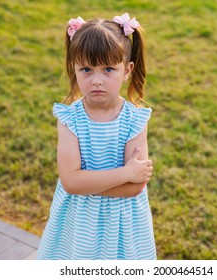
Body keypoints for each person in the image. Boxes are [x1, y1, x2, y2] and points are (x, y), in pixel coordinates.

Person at [37, 13, 156, 260]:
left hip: (122, 222)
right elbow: (70, 182)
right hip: (79, 220)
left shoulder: (135, 120)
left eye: (109, 69)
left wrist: (85, 184)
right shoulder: (70, 120)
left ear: (127, 70)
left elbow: (134, 188)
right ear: (74, 69)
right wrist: (124, 173)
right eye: (86, 69)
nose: (97, 81)